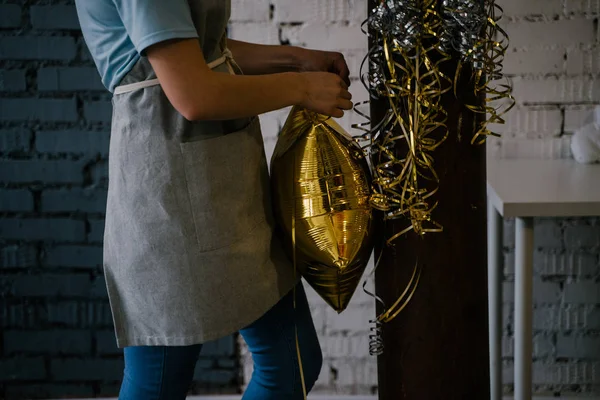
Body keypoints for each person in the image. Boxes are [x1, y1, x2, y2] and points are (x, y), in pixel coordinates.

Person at [74, 0, 353, 399]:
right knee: (162, 380)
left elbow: (200, 50)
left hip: (225, 184)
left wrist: (297, 60)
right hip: (168, 193)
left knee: (292, 361)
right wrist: (303, 87)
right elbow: (194, 94)